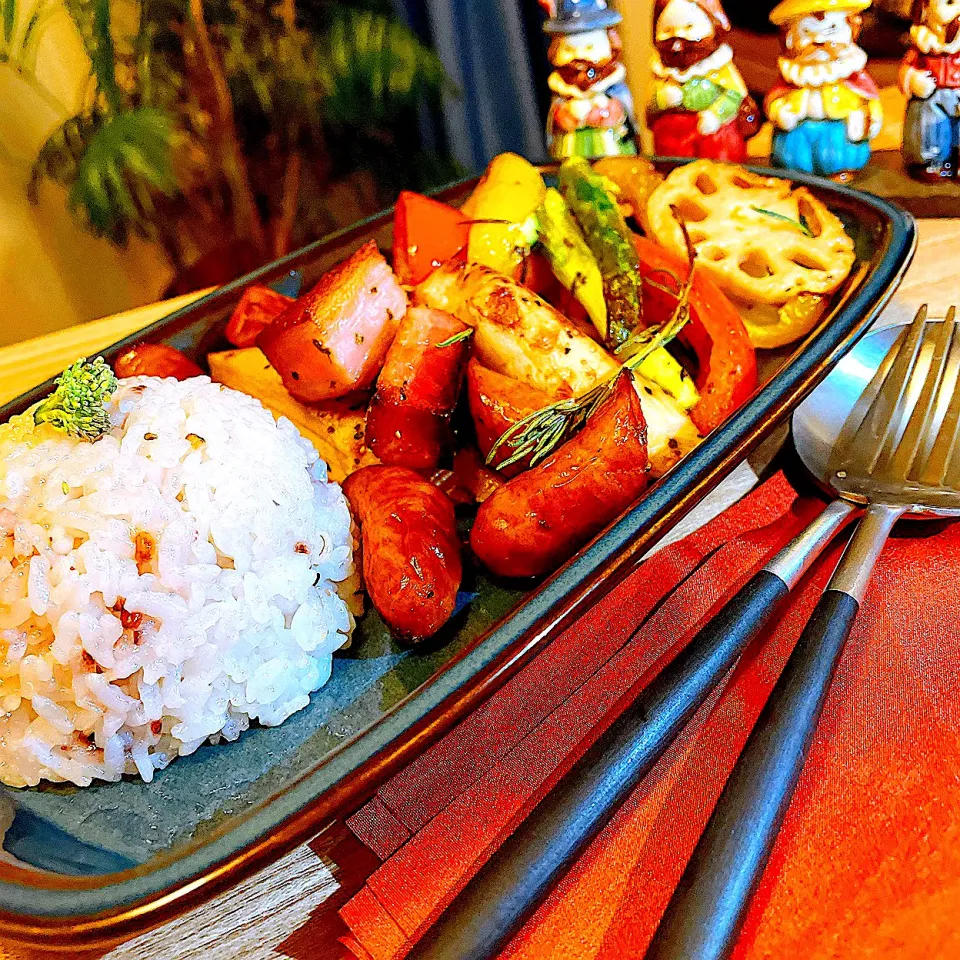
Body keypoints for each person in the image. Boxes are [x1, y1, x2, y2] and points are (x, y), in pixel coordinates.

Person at [765, 0, 882, 181]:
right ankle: (796, 174)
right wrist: (779, 111)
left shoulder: (852, 74)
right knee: (793, 148)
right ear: (788, 38)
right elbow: (774, 97)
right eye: (806, 33)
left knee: (840, 146)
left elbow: (869, 97)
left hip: (839, 129)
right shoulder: (793, 75)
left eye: (832, 30)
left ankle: (842, 169)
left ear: (852, 31)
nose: (819, 40)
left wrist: (867, 119)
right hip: (798, 131)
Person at [648, 0, 760, 161]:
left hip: (714, 133)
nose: (678, 45)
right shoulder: (663, 71)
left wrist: (716, 114)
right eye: (667, 30)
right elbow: (650, 102)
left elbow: (734, 93)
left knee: (719, 155)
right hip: (674, 137)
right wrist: (662, 97)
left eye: (689, 28)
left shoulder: (719, 66)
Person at [541, 0, 638, 158]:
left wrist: (605, 114)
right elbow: (553, 122)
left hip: (613, 151)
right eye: (569, 50)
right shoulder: (563, 93)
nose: (579, 57)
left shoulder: (614, 88)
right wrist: (565, 115)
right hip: (571, 152)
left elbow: (626, 115)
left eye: (589, 48)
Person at [900, 0, 960, 181]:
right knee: (929, 125)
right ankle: (932, 163)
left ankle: (956, 164)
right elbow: (906, 68)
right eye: (950, 2)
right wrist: (912, 79)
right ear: (925, 8)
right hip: (931, 97)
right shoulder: (922, 48)